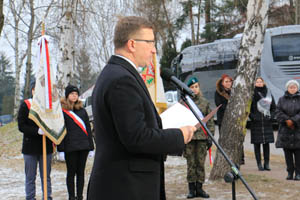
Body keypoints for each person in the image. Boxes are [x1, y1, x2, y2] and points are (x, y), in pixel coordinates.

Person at [87, 16, 195, 200]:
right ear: (132, 44)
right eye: (150, 42)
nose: (154, 50)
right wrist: (179, 135)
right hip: (125, 187)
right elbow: (136, 137)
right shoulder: (122, 80)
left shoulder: (118, 73)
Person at [17, 80, 53, 200]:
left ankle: (47, 197)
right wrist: (36, 131)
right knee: (30, 176)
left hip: (45, 147)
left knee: (46, 176)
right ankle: (30, 197)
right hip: (30, 148)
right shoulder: (26, 105)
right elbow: (21, 126)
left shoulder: (47, 106)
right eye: (35, 90)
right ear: (32, 91)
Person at [58, 85, 94, 200]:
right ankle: (71, 197)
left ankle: (80, 196)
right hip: (70, 147)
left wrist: (91, 146)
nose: (74, 96)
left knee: (81, 173)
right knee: (71, 173)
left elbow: (88, 128)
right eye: (72, 94)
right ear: (67, 95)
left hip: (83, 146)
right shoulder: (63, 111)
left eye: (76, 94)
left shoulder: (82, 111)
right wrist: (61, 149)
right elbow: (60, 130)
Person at [184, 77, 214, 199]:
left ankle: (200, 188)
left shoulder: (205, 102)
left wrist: (210, 136)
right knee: (191, 163)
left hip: (202, 137)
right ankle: (191, 189)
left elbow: (210, 120)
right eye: (192, 87)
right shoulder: (184, 103)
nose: (194, 89)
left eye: (196, 86)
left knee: (200, 163)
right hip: (189, 138)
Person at [215, 74, 245, 165]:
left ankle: (240, 157)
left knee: (237, 138)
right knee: (224, 140)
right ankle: (225, 157)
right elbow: (219, 105)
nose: (228, 83)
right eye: (226, 81)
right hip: (224, 119)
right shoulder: (218, 92)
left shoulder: (235, 92)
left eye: (230, 81)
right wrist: (230, 108)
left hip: (235, 119)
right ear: (222, 83)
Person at [275, 80, 300, 181]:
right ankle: (290, 172)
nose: (292, 88)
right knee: (287, 154)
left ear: (297, 88)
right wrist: (287, 120)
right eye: (291, 87)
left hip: (298, 130)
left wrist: (293, 121)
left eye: (294, 87)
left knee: (298, 154)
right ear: (287, 88)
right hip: (285, 131)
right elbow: (277, 112)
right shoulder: (281, 99)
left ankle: (298, 173)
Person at [249, 77, 276, 171]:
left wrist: (271, 117)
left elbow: (273, 107)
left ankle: (267, 163)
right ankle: (259, 164)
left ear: (263, 83)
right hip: (256, 122)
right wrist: (253, 117)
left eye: (261, 81)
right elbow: (248, 109)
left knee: (266, 144)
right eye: (257, 82)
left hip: (266, 122)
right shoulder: (251, 94)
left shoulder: (268, 93)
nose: (259, 83)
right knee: (257, 144)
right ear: (254, 83)